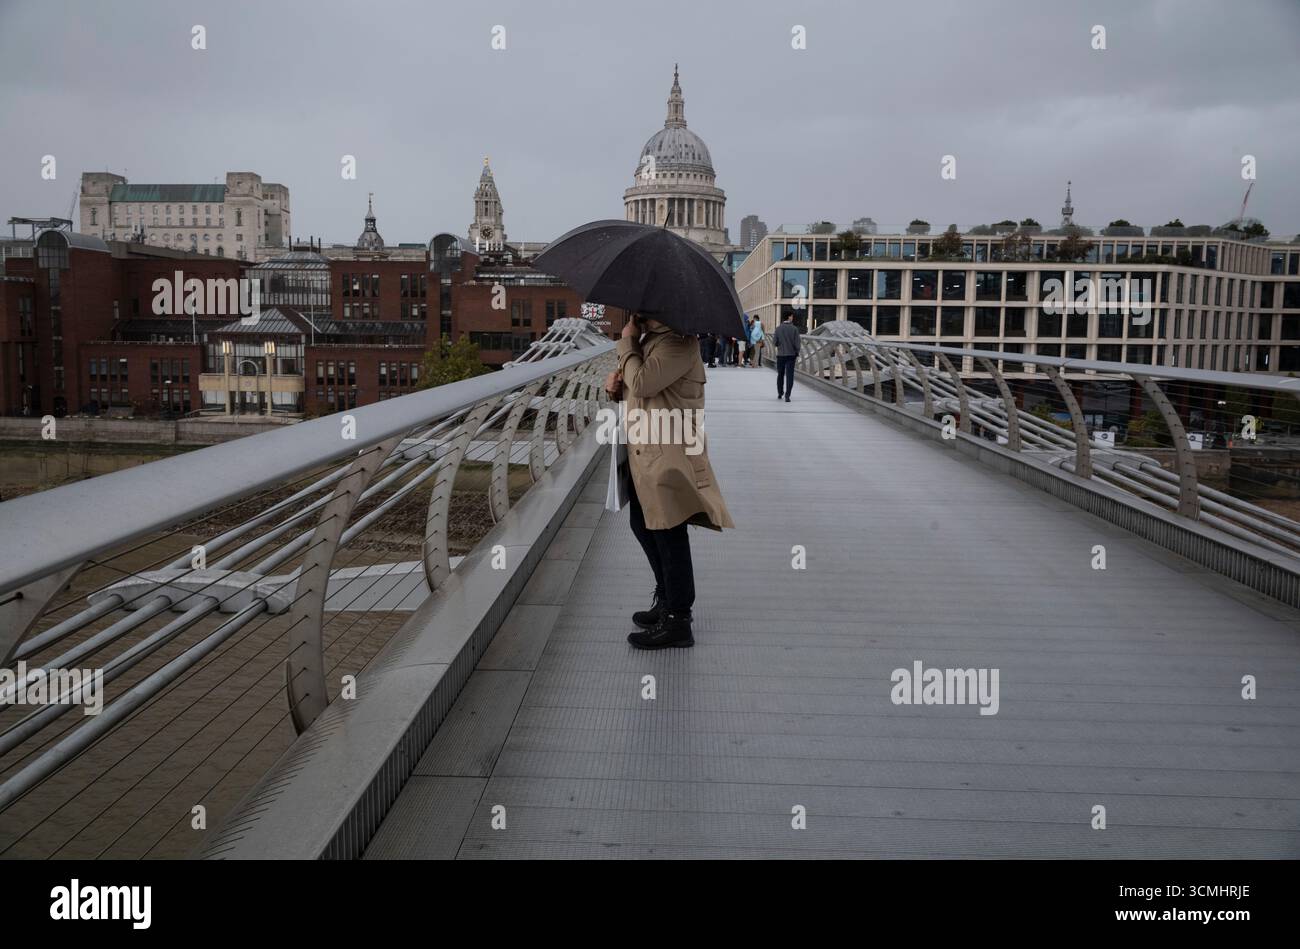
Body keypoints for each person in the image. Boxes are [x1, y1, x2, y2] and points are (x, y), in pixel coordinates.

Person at [605, 313, 734, 649]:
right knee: (643, 524)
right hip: (645, 449)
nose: (634, 309)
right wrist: (614, 390)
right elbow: (643, 393)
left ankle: (679, 619)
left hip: (669, 451)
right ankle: (666, 598)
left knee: (668, 529)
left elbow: (646, 383)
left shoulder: (678, 342)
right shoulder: (652, 340)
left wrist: (626, 343)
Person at [773, 312, 801, 401]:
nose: (792, 318)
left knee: (780, 374)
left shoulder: (778, 329)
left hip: (781, 355)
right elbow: (797, 344)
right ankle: (787, 395)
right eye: (792, 316)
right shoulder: (794, 329)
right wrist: (797, 351)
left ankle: (780, 393)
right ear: (789, 317)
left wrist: (780, 345)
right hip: (791, 355)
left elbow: (774, 342)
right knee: (790, 375)